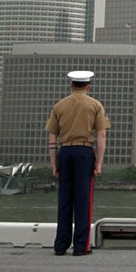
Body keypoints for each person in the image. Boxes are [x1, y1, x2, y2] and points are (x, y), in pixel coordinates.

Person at [46, 70, 111, 256]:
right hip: (84, 152)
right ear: (88, 86)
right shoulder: (95, 105)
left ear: (71, 85)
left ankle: (61, 245)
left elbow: (52, 137)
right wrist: (99, 163)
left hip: (65, 151)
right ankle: (81, 245)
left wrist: (54, 164)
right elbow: (101, 135)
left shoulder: (59, 106)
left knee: (64, 199)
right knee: (83, 200)